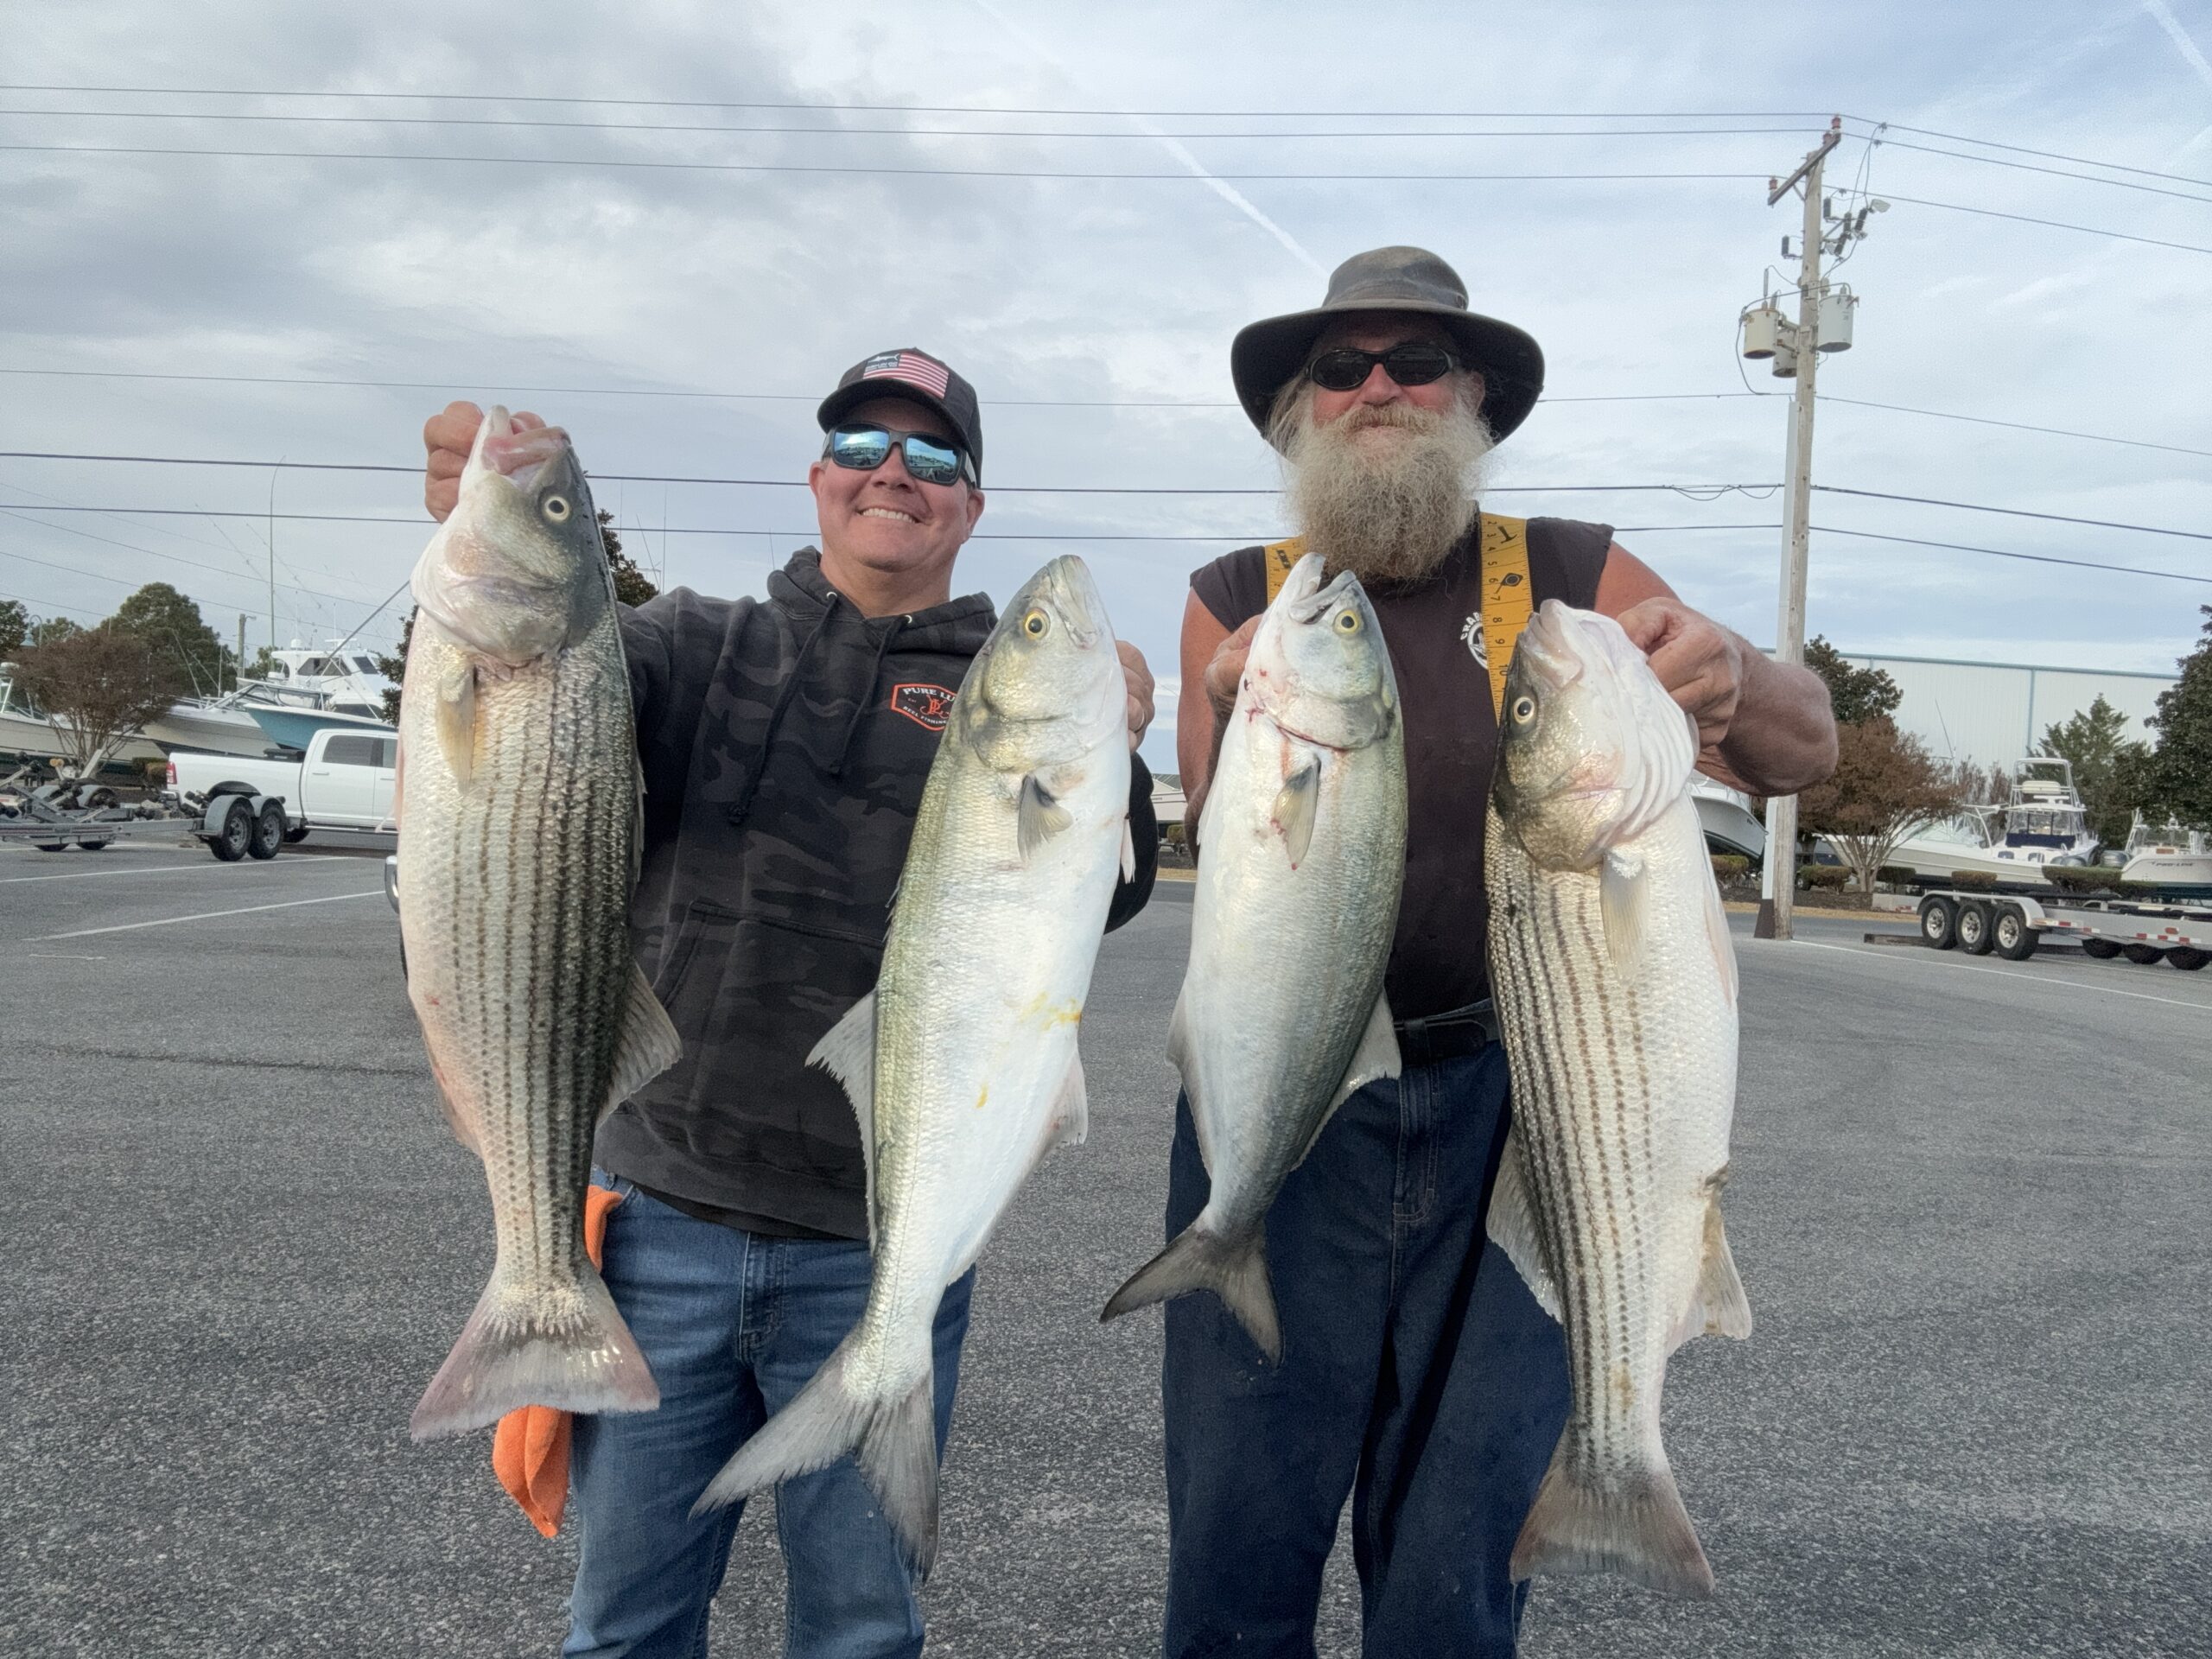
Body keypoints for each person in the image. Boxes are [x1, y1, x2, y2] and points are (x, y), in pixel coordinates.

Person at [420, 347, 1160, 1659]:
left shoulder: (1005, 696)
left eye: (933, 458)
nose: (896, 475)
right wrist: (491, 529)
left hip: (881, 1239)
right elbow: (552, 688)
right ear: (817, 479)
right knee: (626, 1622)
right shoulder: (695, 646)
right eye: (864, 447)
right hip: (660, 1226)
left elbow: (1105, 899)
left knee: (863, 1628)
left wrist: (1115, 760)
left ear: (971, 506)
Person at [1162, 248, 1837, 1657]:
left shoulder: (1574, 578)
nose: (1379, 391)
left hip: (1527, 1091)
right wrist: (1229, 707)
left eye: (1417, 363)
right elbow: (1228, 862)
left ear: (1474, 397)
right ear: (1297, 413)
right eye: (1340, 368)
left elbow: (1802, 751)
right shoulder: (1244, 592)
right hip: (1293, 1103)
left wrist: (1737, 670)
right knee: (1243, 1527)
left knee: (1458, 1555)